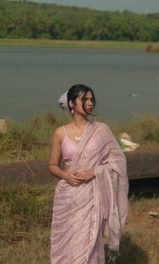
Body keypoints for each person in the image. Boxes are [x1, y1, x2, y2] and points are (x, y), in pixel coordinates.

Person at [48, 84, 129, 264]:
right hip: (67, 196)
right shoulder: (60, 133)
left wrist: (94, 171)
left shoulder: (101, 130)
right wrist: (66, 176)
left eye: (92, 99)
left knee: (88, 243)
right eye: (84, 99)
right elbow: (53, 165)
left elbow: (118, 161)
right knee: (68, 244)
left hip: (92, 196)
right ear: (71, 103)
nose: (90, 103)